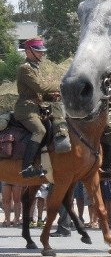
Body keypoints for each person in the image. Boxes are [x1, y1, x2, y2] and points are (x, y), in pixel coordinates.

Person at [14, 38, 68, 178]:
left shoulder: (34, 68)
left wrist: (53, 97)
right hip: (25, 110)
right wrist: (62, 85)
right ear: (28, 51)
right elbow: (39, 87)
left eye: (42, 51)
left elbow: (37, 94)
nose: (42, 54)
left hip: (36, 108)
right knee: (39, 130)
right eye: (38, 51)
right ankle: (27, 168)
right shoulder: (25, 68)